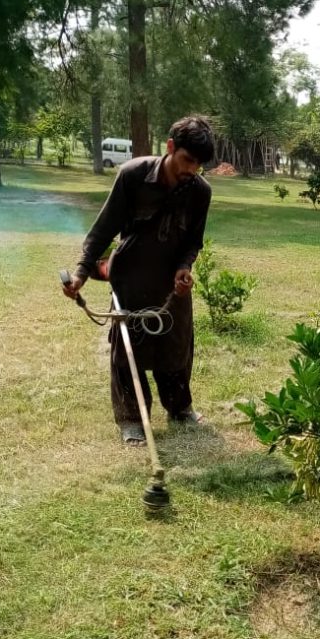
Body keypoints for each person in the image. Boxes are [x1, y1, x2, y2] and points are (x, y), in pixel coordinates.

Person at [63, 115, 214, 445]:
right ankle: (132, 418)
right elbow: (104, 229)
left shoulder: (200, 191)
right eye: (188, 160)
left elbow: (193, 241)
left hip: (173, 281)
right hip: (130, 273)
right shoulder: (133, 175)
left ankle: (179, 408)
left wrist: (185, 266)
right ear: (171, 147)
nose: (192, 170)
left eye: (199, 164)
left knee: (176, 345)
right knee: (128, 347)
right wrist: (81, 272)